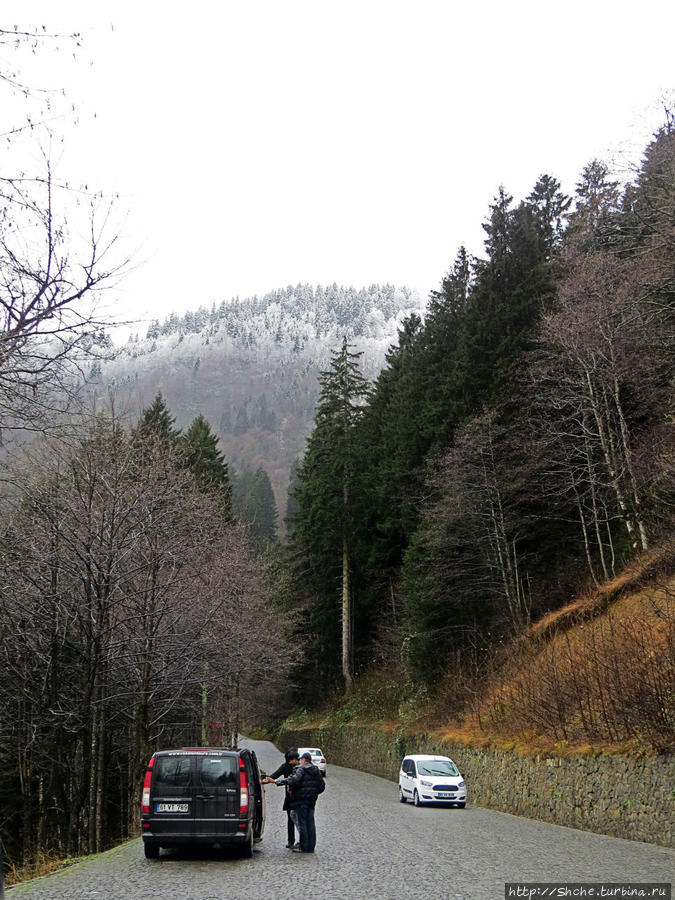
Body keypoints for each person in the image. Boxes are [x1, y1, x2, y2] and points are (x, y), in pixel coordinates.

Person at [285, 750, 325, 853]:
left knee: (302, 823)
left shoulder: (301, 770)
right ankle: (311, 847)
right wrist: (313, 793)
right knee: (311, 823)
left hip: (301, 800)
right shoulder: (316, 771)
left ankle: (303, 846)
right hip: (311, 801)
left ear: (304, 760)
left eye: (301, 759)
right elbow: (321, 786)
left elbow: (295, 781)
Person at [261, 748, 300, 848]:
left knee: (295, 819)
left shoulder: (299, 768)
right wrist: (266, 780)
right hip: (293, 796)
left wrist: (268, 780)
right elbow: (275, 775)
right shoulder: (287, 766)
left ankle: (294, 841)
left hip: (295, 795)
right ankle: (292, 841)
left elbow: (275, 776)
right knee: (293, 819)